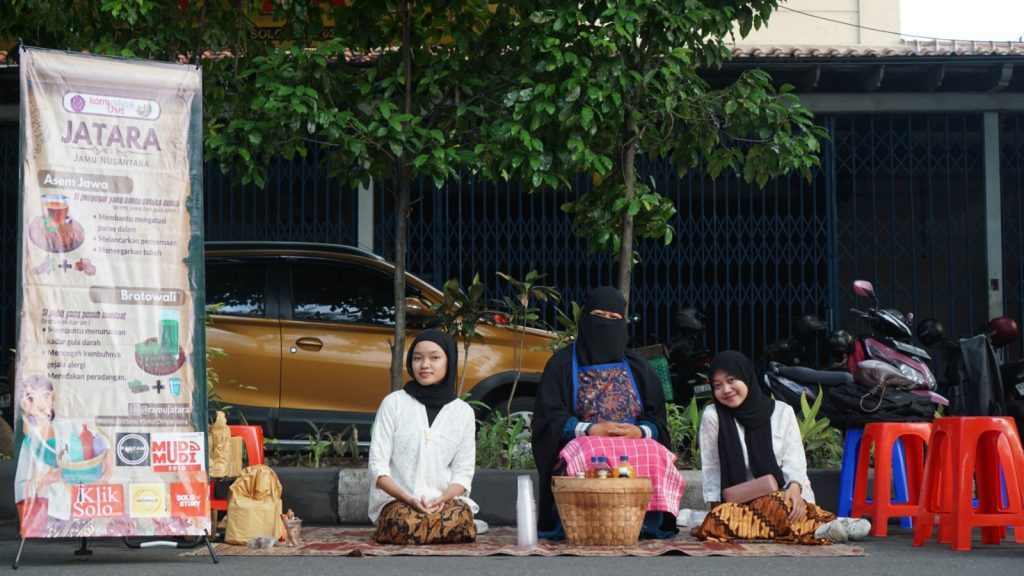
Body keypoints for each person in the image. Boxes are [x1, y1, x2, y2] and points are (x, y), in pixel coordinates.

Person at [532, 286, 682, 538]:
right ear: (584, 320)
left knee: (656, 453)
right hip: (584, 444)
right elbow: (549, 419)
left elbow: (657, 420)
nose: (606, 325)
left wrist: (639, 431)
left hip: (634, 445)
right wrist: (589, 430)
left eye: (614, 319)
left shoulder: (639, 367)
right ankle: (578, 520)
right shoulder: (561, 364)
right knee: (590, 449)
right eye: (599, 316)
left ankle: (646, 522)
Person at [694, 350, 869, 544]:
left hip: (783, 492)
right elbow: (712, 467)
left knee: (783, 504)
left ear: (747, 376)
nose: (726, 389)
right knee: (723, 520)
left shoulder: (781, 412)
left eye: (731, 380)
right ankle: (824, 528)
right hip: (739, 502)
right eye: (717, 385)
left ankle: (821, 525)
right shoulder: (714, 416)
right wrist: (716, 511)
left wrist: (794, 488)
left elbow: (794, 460)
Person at [367, 330, 478, 544]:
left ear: (449, 361)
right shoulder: (394, 403)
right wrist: (409, 499)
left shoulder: (463, 412)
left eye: (434, 358)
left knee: (460, 518)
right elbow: (377, 468)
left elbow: (463, 474)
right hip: (397, 501)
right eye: (418, 358)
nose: (425, 365)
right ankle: (430, 531)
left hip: (444, 503)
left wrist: (442, 499)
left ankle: (428, 530)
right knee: (403, 524)